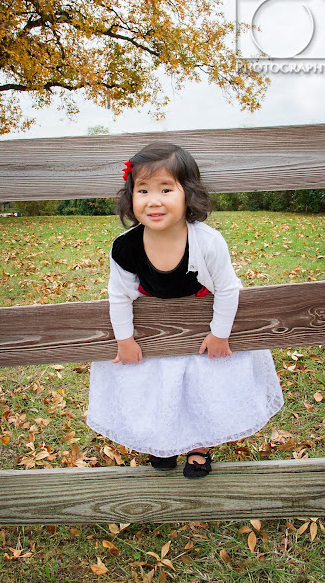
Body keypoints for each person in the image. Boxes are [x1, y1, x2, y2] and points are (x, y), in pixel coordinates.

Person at [86, 142, 284, 478]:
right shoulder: (125, 247)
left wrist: (220, 334)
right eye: (143, 190)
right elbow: (118, 296)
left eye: (166, 189)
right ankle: (163, 442)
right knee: (156, 387)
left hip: (204, 330)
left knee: (200, 388)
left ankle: (198, 445)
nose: (154, 200)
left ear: (188, 195)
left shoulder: (208, 242)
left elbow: (228, 289)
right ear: (130, 197)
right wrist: (125, 340)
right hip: (155, 334)